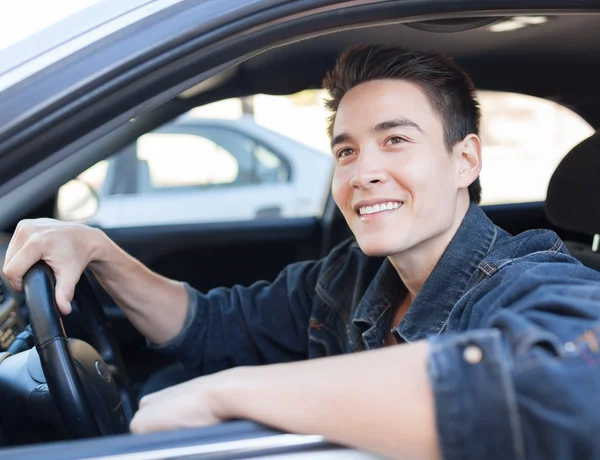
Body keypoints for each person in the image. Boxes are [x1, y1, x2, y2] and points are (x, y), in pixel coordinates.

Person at [4, 44, 600, 460]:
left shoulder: (527, 277)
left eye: (395, 140)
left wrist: (223, 394)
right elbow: (211, 325)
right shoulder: (351, 273)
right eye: (346, 151)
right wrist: (102, 252)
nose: (364, 172)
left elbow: (574, 380)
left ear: (465, 160)